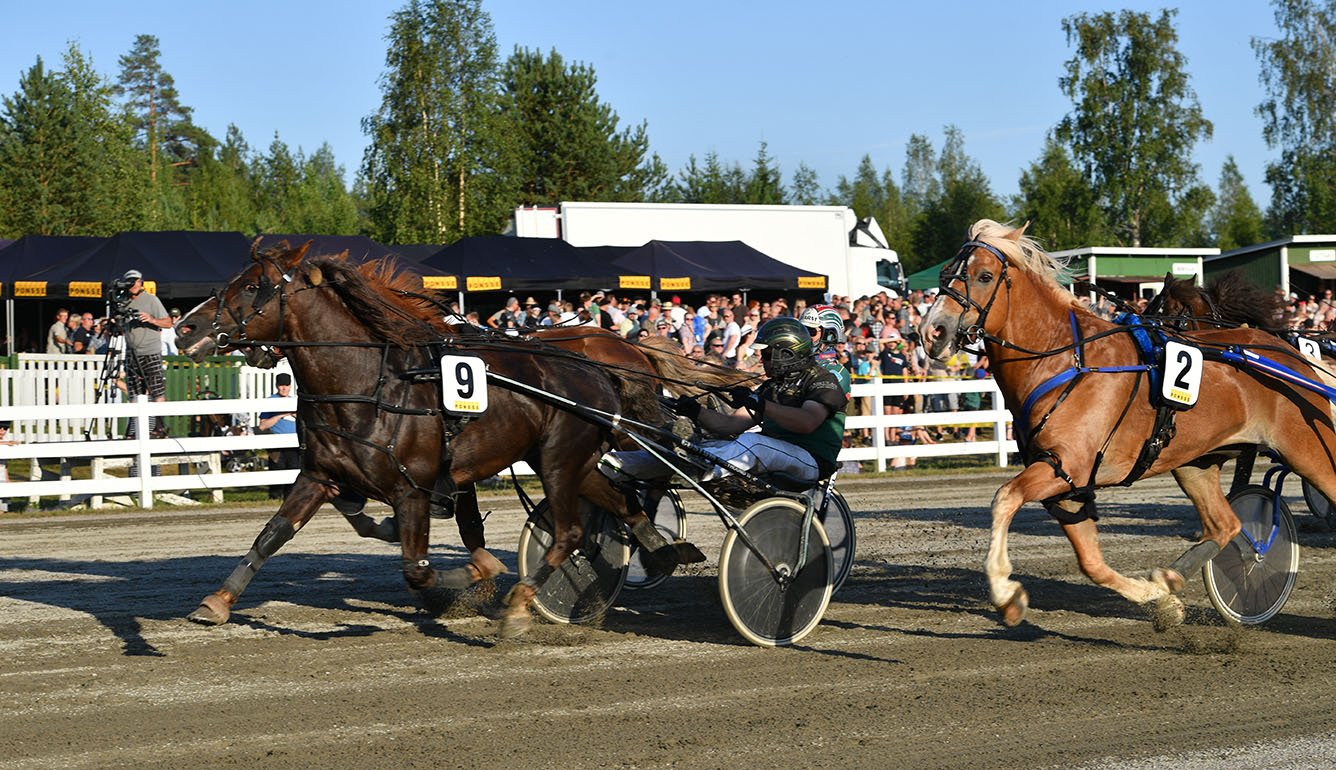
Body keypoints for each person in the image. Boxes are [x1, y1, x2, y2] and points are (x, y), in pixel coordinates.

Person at [600, 317, 848, 487]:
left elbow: (807, 422)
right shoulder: (772, 386)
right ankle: (617, 466)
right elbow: (730, 426)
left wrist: (761, 405)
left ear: (787, 354)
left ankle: (702, 469)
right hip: (773, 453)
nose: (761, 360)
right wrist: (695, 411)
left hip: (812, 461)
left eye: (767, 355)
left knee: (753, 442)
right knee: (697, 446)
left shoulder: (823, 381)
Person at [121, 270, 172, 437]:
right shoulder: (123, 302)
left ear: (141, 282)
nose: (134, 285)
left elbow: (168, 322)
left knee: (156, 389)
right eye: (131, 282)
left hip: (150, 350)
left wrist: (151, 319)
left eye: (136, 281)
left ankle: (160, 427)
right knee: (134, 391)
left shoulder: (151, 300)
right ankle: (133, 429)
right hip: (132, 352)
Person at [258, 372, 299, 499]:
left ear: (290, 386)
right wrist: (281, 415)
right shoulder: (271, 401)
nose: (284, 388)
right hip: (277, 445)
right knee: (277, 470)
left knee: (294, 472)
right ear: (277, 386)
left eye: (286, 385)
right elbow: (262, 425)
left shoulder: (295, 401)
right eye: (281, 385)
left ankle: (290, 498)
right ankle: (274, 497)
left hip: (294, 444)